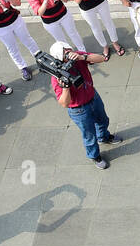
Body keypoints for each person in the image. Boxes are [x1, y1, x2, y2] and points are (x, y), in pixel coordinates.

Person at [47, 41, 120, 169]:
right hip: (78, 110)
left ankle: (103, 137)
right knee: (89, 135)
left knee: (103, 120)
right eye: (65, 53)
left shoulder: (78, 56)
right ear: (60, 58)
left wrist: (82, 57)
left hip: (93, 96)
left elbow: (102, 58)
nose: (69, 54)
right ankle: (94, 156)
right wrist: (65, 87)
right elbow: (64, 103)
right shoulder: (56, 77)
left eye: (68, 49)